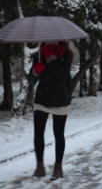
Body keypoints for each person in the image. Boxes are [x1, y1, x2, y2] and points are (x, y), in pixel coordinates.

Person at [27, 41, 73, 180]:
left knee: (58, 134)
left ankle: (58, 167)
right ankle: (39, 166)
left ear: (60, 39)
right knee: (38, 133)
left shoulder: (66, 55)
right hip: (42, 98)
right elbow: (31, 79)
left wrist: (50, 58)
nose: (51, 41)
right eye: (48, 39)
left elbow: (62, 76)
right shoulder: (40, 54)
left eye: (54, 38)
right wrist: (35, 71)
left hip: (60, 98)